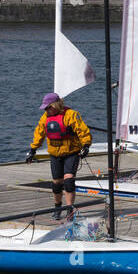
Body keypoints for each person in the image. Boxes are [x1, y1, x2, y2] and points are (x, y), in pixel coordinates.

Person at [26, 92, 92, 220]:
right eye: (45, 108)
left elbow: (83, 131)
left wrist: (86, 146)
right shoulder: (45, 118)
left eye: (48, 107)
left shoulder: (71, 115)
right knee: (57, 183)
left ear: (55, 105)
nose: (46, 110)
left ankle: (69, 210)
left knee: (69, 181)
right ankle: (57, 207)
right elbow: (39, 133)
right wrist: (32, 150)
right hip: (55, 154)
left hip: (71, 153)